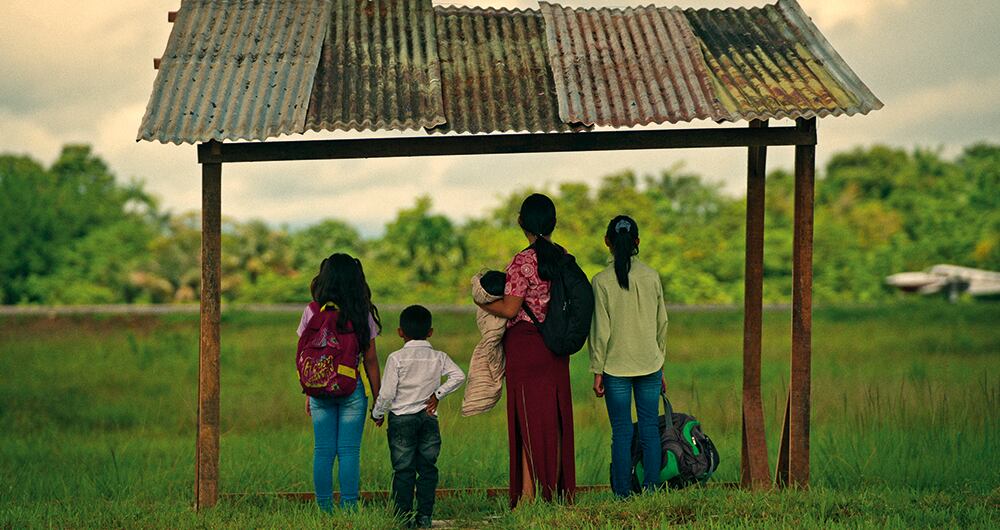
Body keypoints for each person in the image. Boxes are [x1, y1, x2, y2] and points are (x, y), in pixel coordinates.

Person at [477, 193, 576, 507]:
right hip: (555, 347)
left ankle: (527, 497)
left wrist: (481, 300)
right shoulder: (563, 256)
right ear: (553, 223)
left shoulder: (522, 261)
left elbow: (509, 308)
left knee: (524, 419)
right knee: (555, 420)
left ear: (522, 222)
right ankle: (556, 493)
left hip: (525, 346)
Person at [589, 215, 669, 497]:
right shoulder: (652, 276)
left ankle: (622, 494)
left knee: (622, 433)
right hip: (650, 364)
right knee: (649, 429)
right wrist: (660, 362)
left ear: (607, 242)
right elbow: (662, 323)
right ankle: (651, 490)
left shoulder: (600, 282)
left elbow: (601, 330)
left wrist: (597, 369)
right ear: (637, 242)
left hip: (615, 369)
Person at [296, 253, 383, 512]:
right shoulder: (361, 312)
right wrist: (378, 399)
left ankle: (324, 509)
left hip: (319, 390)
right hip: (351, 390)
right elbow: (370, 360)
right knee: (348, 452)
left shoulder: (311, 311)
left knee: (322, 451)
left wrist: (309, 392)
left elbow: (308, 355)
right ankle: (350, 508)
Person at [372, 305, 466, 528]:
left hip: (401, 419)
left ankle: (403, 518)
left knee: (403, 470)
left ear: (400, 332)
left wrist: (377, 413)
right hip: (428, 418)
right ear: (430, 332)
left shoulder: (396, 358)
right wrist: (438, 394)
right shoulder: (439, 357)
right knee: (427, 469)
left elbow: (386, 394)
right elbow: (459, 376)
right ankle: (424, 517)